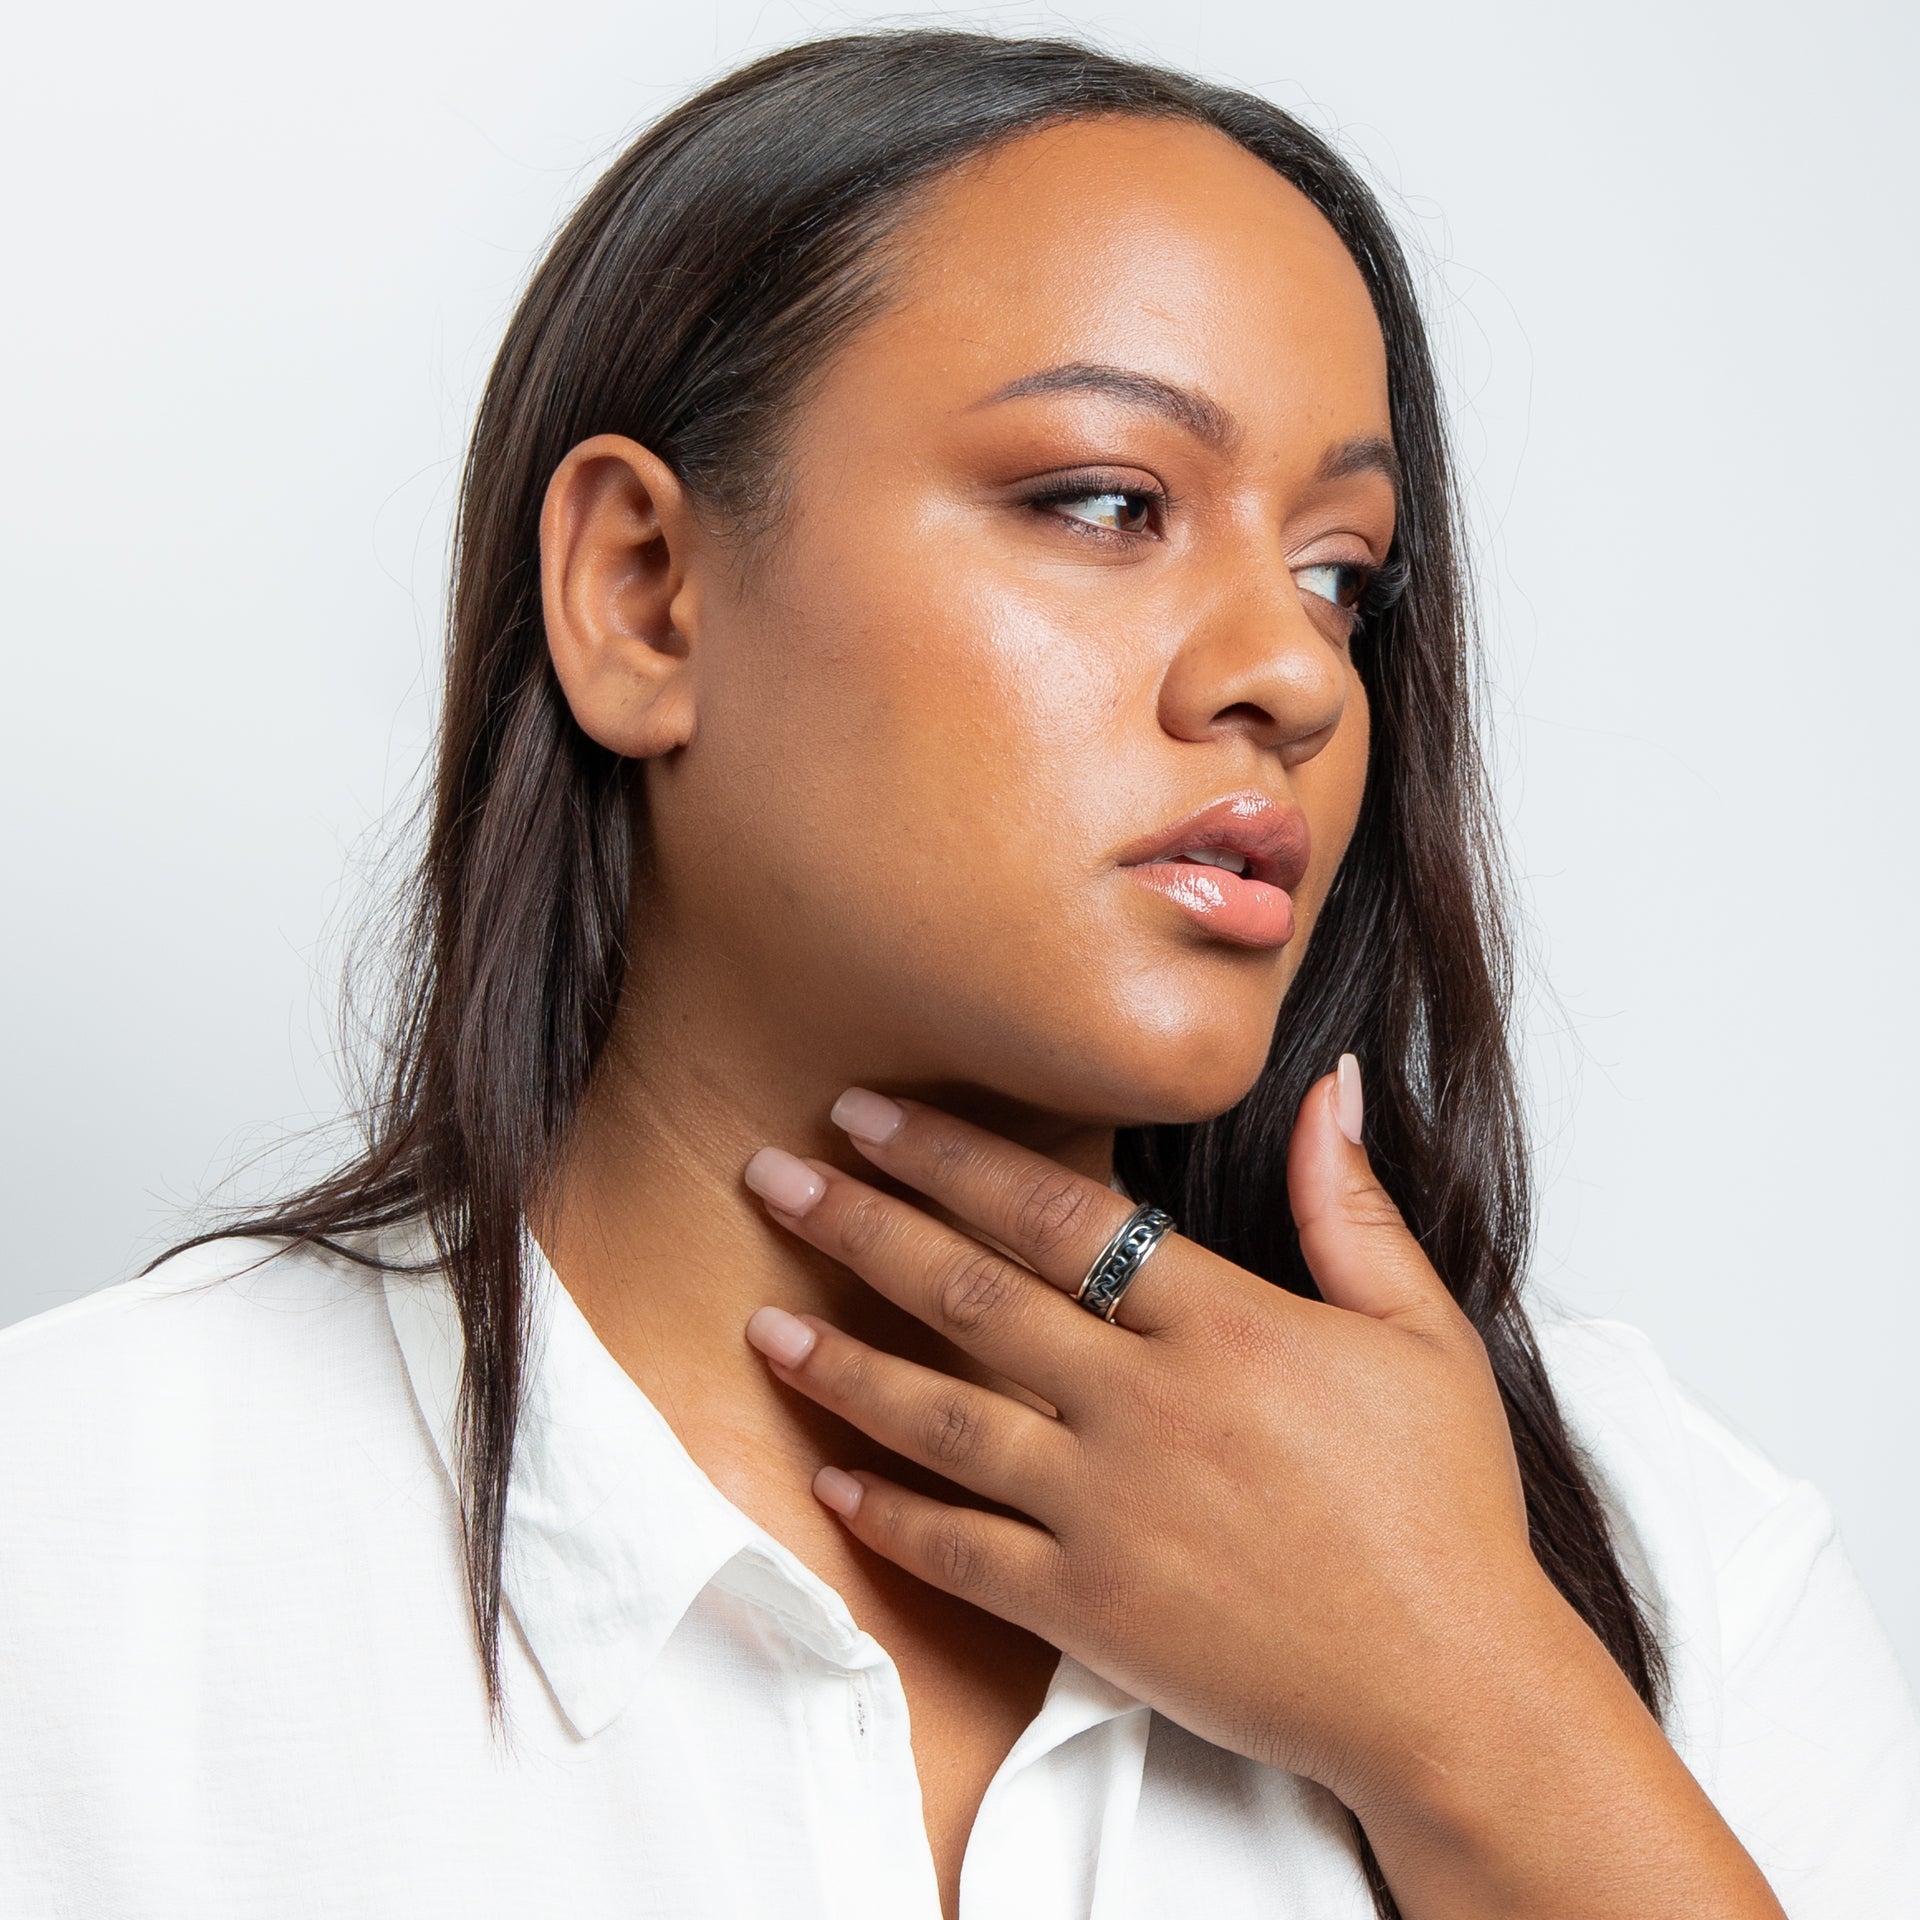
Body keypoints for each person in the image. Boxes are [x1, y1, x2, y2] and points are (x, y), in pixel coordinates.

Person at [0, 28, 1913, 1920]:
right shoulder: (74, 1568)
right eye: (1106, 502)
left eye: (1346, 570)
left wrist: (1481, 1723)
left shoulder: (1660, 1560)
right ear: (642, 594)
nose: (1301, 673)